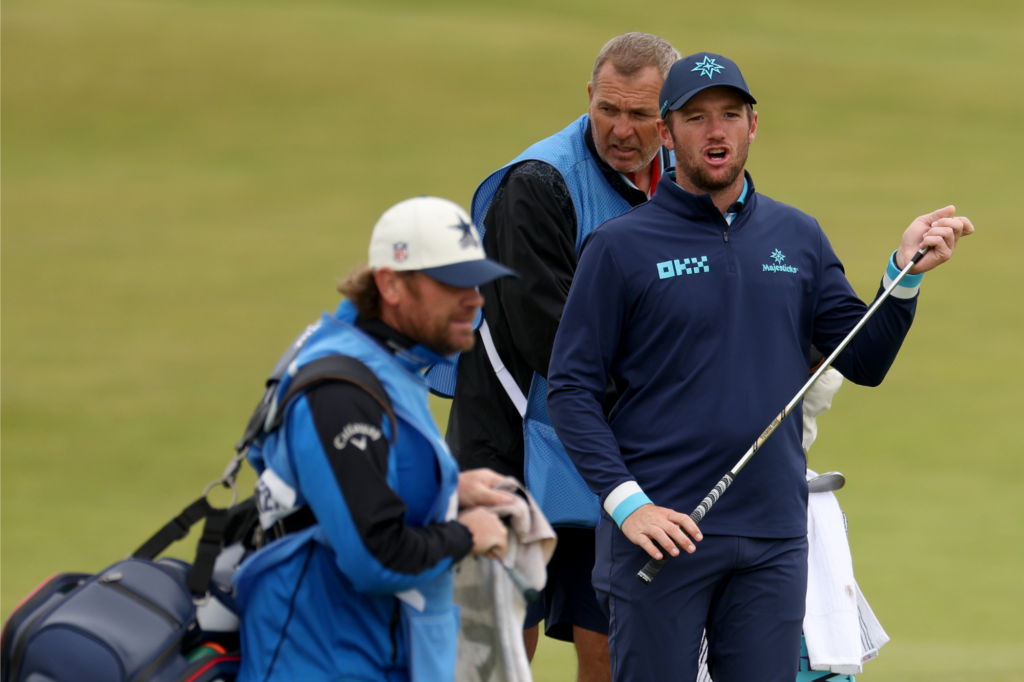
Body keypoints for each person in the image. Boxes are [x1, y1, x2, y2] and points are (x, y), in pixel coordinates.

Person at [546, 53, 973, 682]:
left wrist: (902, 277)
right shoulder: (619, 247)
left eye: (730, 114)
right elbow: (570, 389)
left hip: (772, 538)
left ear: (753, 125)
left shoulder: (797, 237)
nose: (715, 131)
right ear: (666, 133)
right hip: (661, 536)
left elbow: (863, 358)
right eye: (696, 117)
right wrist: (627, 504)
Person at [439, 32, 680, 682]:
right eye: (608, 109)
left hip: (606, 447)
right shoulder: (538, 184)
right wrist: (676, 398)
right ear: (589, 96)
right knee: (499, 647)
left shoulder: (683, 181)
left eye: (640, 115)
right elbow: (552, 336)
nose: (621, 130)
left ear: (670, 116)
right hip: (510, 442)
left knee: (610, 639)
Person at [234, 196, 520, 682]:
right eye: (452, 283)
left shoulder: (385, 363)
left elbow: (365, 486)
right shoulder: (342, 393)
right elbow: (376, 556)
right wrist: (467, 534)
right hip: (326, 662)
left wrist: (449, 491)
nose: (474, 299)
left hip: (374, 655)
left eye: (476, 281)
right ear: (390, 284)